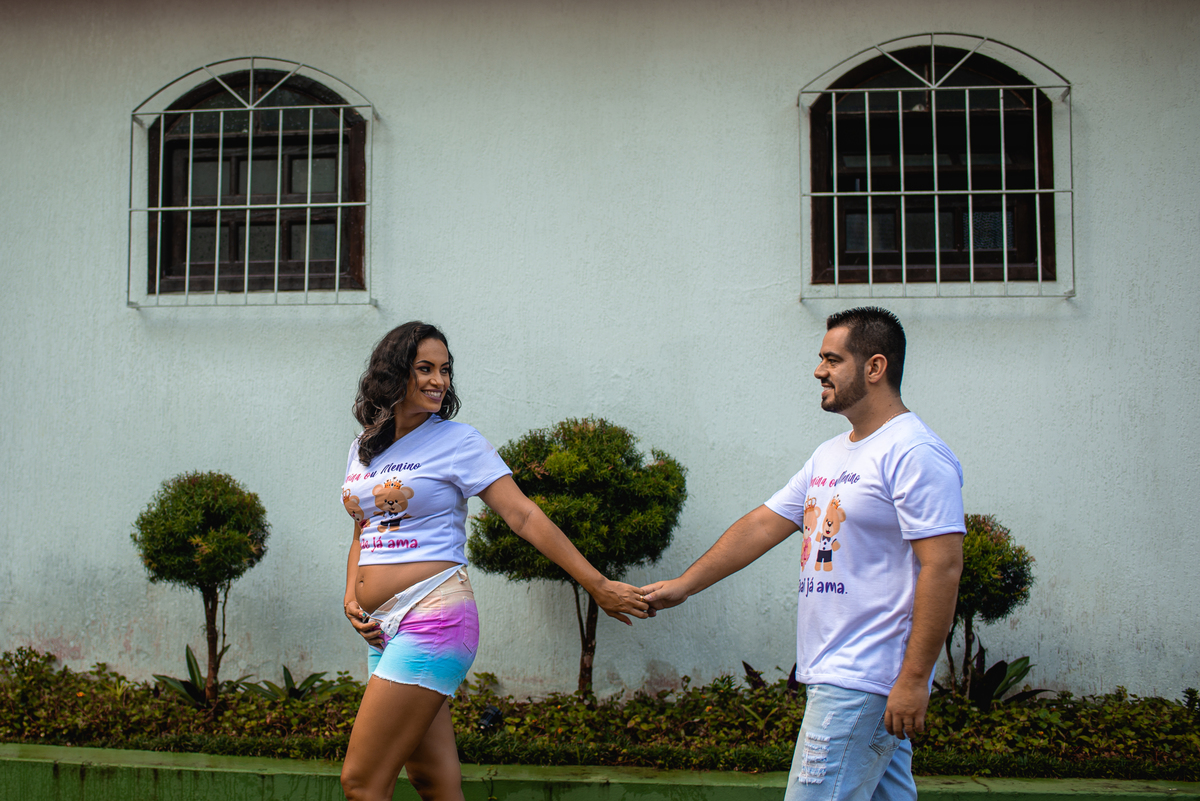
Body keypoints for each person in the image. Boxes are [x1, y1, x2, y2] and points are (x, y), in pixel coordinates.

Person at [642, 307, 964, 801]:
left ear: (874, 367)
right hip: (840, 672)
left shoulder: (914, 452)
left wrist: (915, 679)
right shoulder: (830, 454)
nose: (818, 371)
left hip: (864, 676)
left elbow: (942, 566)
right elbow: (763, 524)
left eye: (832, 359)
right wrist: (684, 586)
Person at [338, 321, 650, 801]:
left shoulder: (457, 442)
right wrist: (350, 596)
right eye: (425, 368)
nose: (438, 381)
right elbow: (364, 526)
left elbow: (523, 515)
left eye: (445, 370)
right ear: (392, 372)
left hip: (431, 617)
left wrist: (597, 583)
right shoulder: (364, 447)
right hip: (380, 628)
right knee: (433, 782)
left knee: (361, 783)